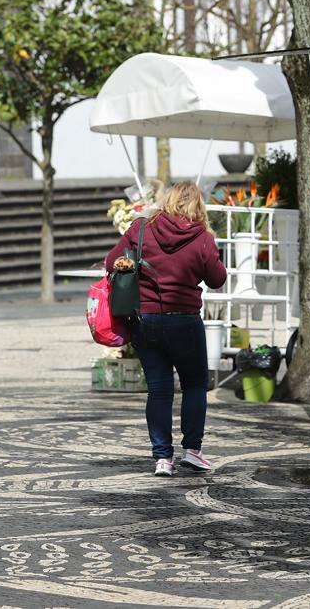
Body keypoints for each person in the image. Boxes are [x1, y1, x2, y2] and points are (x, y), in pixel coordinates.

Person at [104, 181, 226, 477]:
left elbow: (110, 263)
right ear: (198, 206)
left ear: (167, 200)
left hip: (145, 321)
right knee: (195, 385)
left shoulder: (140, 229)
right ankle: (193, 451)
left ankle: (162, 459)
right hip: (184, 320)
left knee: (159, 390)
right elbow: (217, 279)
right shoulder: (202, 238)